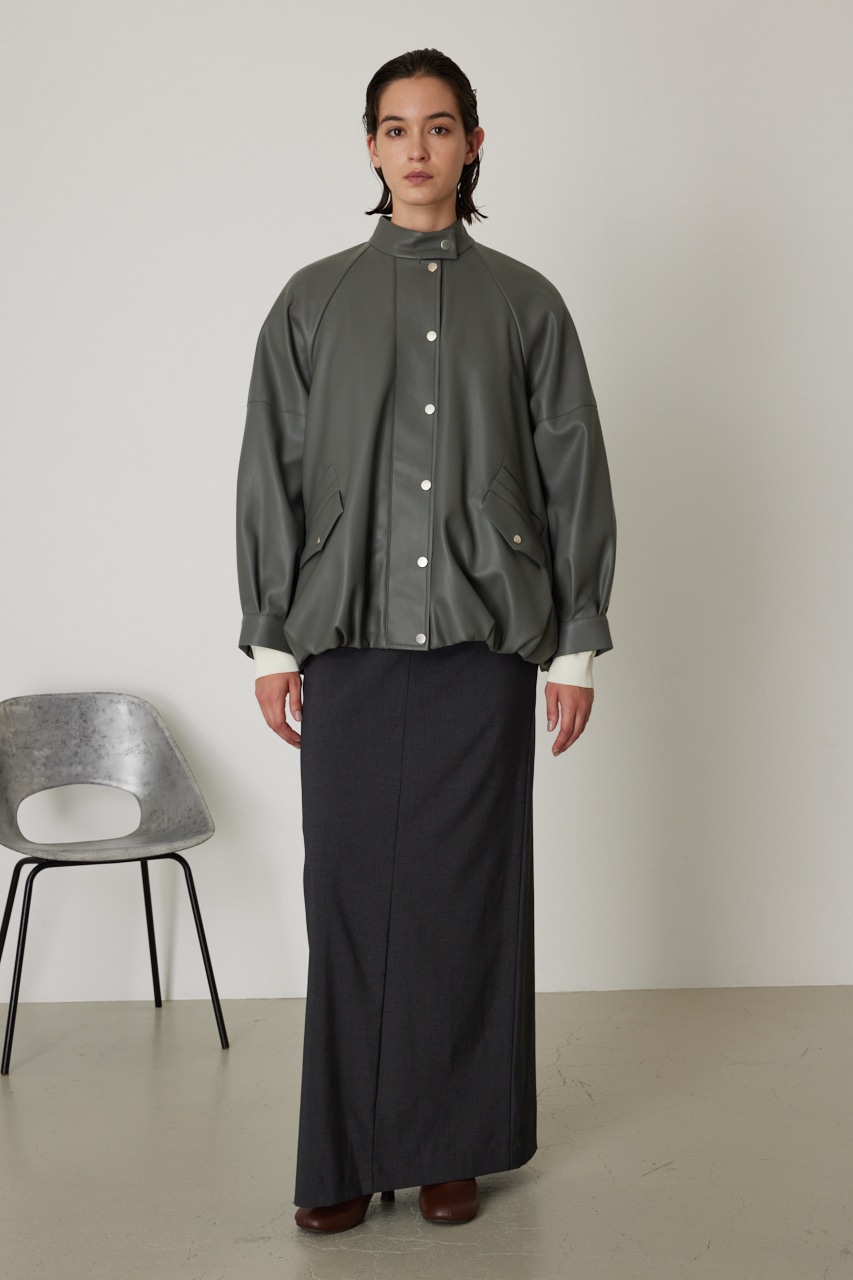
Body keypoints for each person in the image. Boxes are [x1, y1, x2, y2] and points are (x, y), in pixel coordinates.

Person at [236, 48, 616, 1234]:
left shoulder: (527, 303)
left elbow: (572, 471)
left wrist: (573, 644)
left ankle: (454, 1144)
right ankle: (345, 1151)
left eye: (439, 126)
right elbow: (271, 467)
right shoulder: (312, 299)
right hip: (344, 638)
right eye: (395, 128)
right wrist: (272, 640)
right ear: (369, 146)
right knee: (349, 898)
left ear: (473, 144)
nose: (417, 148)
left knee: (466, 900)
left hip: (483, 643)